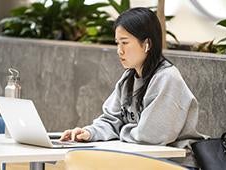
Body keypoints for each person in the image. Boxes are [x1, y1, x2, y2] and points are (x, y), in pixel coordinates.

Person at [60, 7, 206, 169]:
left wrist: (120, 130)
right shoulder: (128, 78)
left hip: (177, 164)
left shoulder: (167, 78)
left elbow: (151, 136)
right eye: (117, 43)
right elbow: (112, 119)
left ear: (147, 44)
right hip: (144, 161)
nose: (119, 50)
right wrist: (89, 133)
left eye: (125, 43)